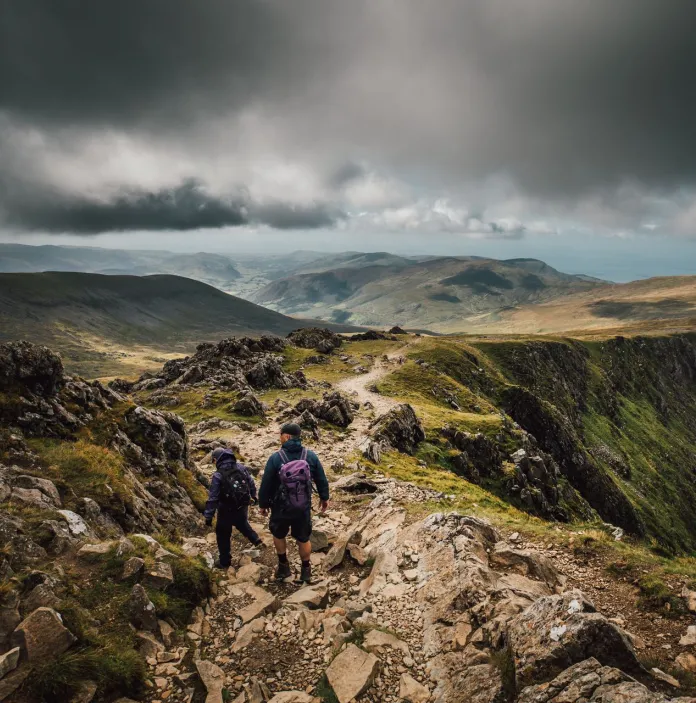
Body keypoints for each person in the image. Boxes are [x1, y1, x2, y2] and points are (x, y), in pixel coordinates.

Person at [258, 423, 329, 584]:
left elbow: (266, 484)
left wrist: (263, 504)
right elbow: (321, 479)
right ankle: (306, 571)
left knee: (278, 534)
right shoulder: (310, 456)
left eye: (280, 435)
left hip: (280, 507)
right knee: (303, 538)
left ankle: (283, 567)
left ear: (287, 436)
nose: (279, 438)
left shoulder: (276, 458)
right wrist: (324, 498)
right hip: (302, 506)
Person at [204, 447, 263, 569]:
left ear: (216, 460)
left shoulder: (218, 475)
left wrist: (208, 516)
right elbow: (250, 482)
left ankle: (225, 561)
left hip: (225, 509)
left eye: (213, 461)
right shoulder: (240, 467)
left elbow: (213, 498)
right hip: (242, 504)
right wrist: (253, 496)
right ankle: (256, 540)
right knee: (242, 523)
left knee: (223, 534)